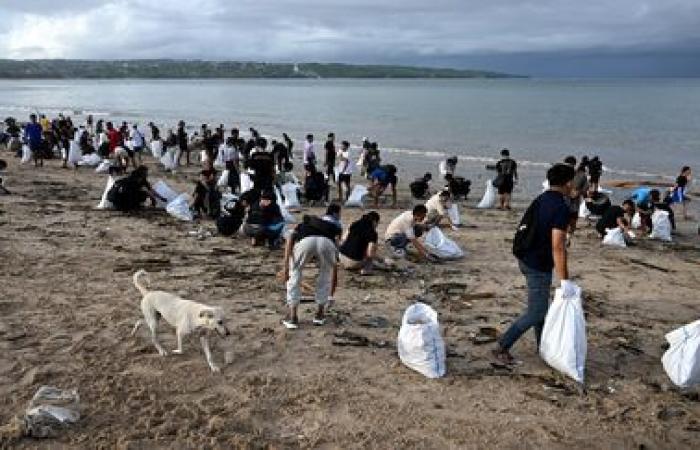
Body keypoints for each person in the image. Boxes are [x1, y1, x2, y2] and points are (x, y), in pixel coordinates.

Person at [492, 163, 576, 365]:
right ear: (568, 183)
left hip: (526, 257)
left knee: (541, 308)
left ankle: (542, 346)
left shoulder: (542, 198)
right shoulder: (560, 207)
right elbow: (558, 246)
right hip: (537, 264)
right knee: (536, 311)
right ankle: (502, 346)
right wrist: (565, 280)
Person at [281, 210, 342, 329]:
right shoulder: (330, 226)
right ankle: (319, 314)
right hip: (327, 242)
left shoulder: (302, 225)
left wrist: (286, 266)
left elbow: (290, 239)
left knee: (295, 274)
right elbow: (336, 244)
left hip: (306, 242)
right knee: (325, 275)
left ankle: (293, 316)